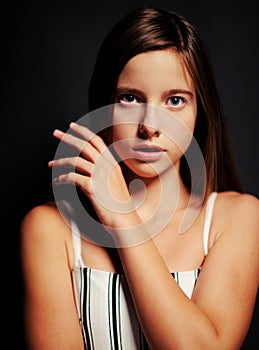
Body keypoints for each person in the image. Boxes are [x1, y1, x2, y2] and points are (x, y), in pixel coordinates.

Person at [20, 7, 259, 350]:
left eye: (175, 100)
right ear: (106, 105)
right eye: (130, 98)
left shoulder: (235, 218)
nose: (150, 126)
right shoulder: (50, 229)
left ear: (200, 112)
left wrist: (123, 218)